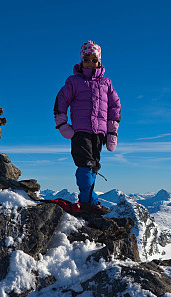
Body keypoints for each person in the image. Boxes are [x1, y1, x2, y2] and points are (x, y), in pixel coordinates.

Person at [54, 40, 121, 214]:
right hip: (80, 131)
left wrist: (112, 131)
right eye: (87, 59)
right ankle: (87, 201)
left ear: (99, 61)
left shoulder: (106, 83)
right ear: (81, 61)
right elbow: (61, 100)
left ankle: (89, 200)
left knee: (94, 165)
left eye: (93, 59)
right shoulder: (74, 81)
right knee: (84, 164)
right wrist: (62, 123)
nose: (90, 62)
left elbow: (115, 106)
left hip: (99, 132)